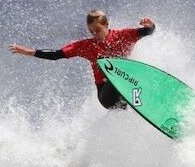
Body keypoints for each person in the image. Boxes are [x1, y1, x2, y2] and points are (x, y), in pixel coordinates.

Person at [9, 9, 156, 109]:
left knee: (133, 72)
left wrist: (150, 25)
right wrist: (30, 52)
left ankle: (147, 101)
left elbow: (148, 31)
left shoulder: (123, 36)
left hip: (126, 90)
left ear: (106, 24)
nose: (95, 35)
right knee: (116, 73)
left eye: (97, 30)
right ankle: (135, 98)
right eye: (91, 32)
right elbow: (57, 54)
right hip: (106, 96)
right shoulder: (86, 46)